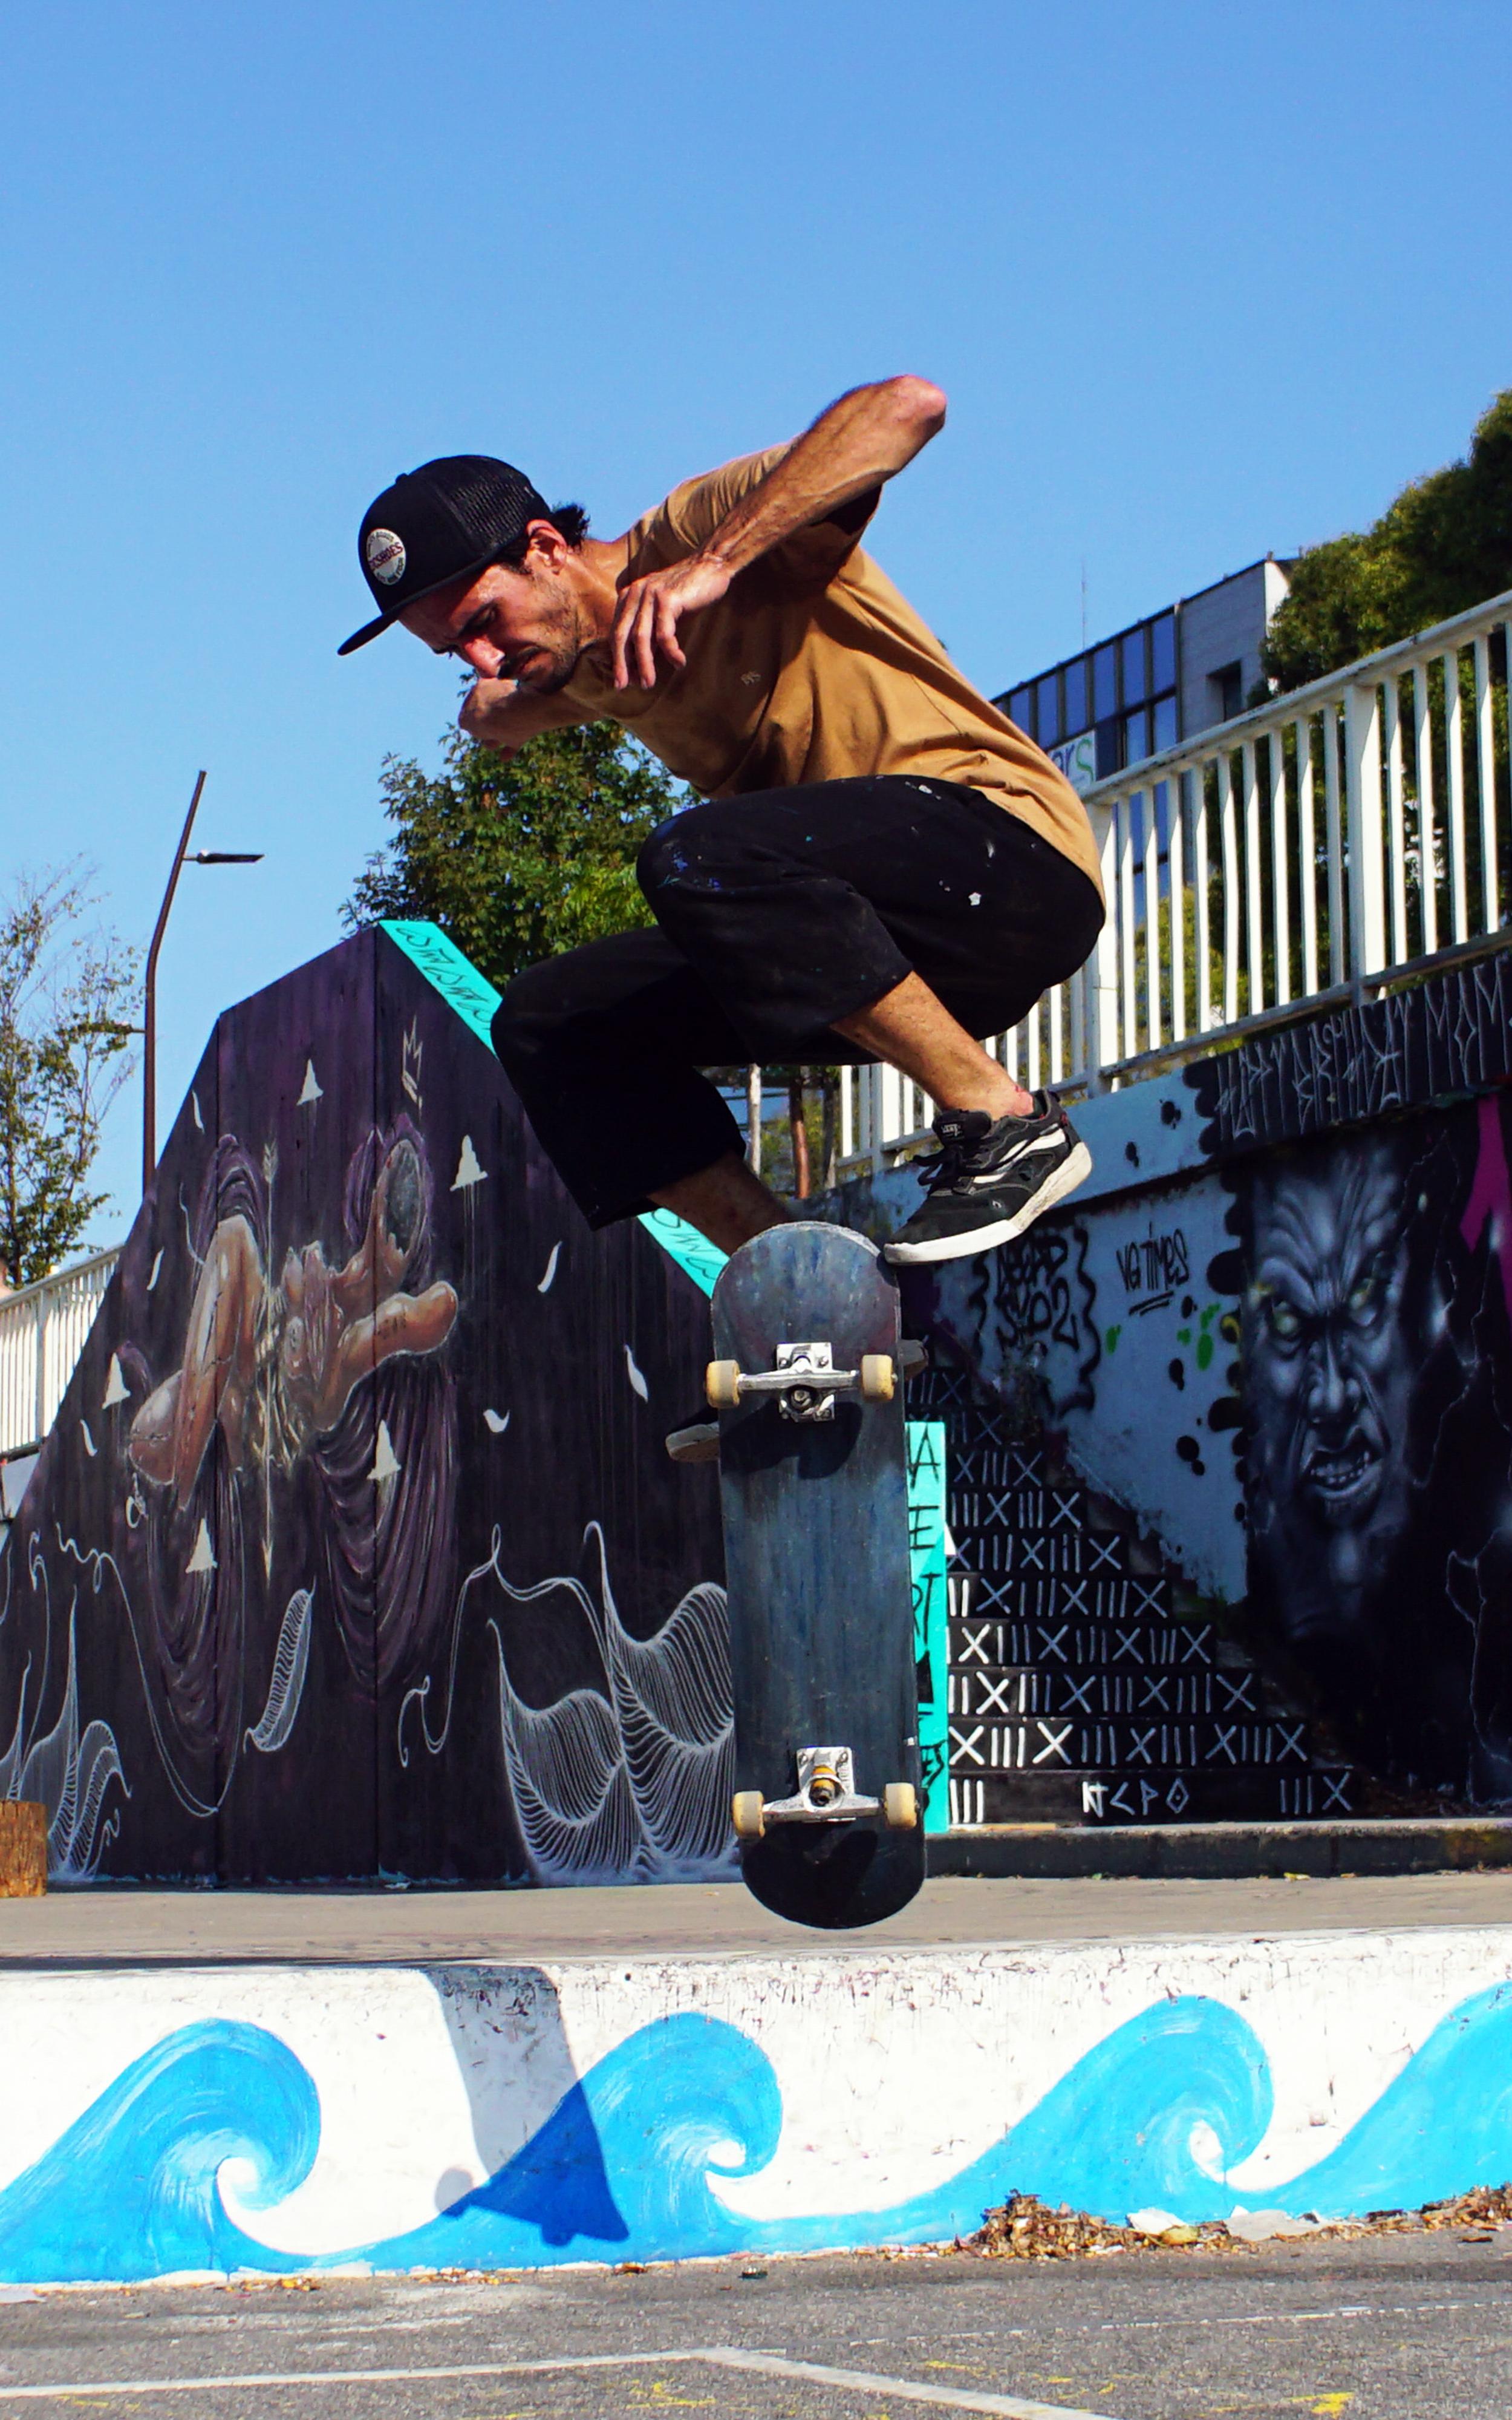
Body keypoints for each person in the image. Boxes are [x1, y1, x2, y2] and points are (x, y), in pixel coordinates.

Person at [339, 377, 1104, 1272]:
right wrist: (496, 704)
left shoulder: (692, 534)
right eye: (451, 651)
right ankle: (804, 1281)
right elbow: (489, 709)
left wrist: (719, 562)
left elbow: (911, 406)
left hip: (1010, 861)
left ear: (546, 548)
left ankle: (1009, 1125)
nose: (481, 656)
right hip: (889, 960)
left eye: (484, 622)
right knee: (551, 1022)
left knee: (695, 855)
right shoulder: (570, 670)